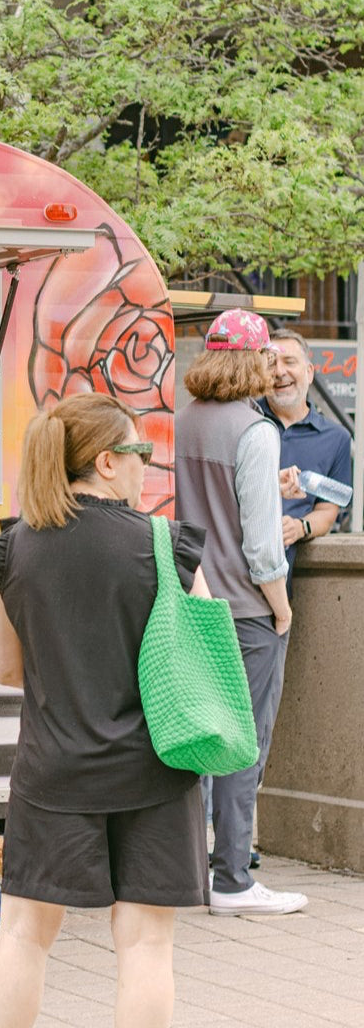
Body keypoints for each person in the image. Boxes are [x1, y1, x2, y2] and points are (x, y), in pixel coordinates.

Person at [0, 392, 211, 1028]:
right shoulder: (166, 546)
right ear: (108, 462)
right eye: (140, 452)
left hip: (52, 769)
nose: (147, 465)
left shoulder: (12, 550)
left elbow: (6, 670)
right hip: (156, 769)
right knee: (145, 944)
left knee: (23, 934)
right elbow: (206, 657)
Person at [175, 309, 305, 917]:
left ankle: (182, 872)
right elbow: (260, 545)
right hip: (246, 612)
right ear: (253, 362)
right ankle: (232, 877)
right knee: (242, 744)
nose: (275, 369)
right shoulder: (256, 431)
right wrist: (281, 611)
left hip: (190, 600)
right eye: (270, 359)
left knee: (194, 739)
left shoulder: (184, 420)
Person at [259, 328, 353, 587]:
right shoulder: (244, 421)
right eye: (270, 364)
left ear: (309, 372)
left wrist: (300, 527)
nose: (279, 372)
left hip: (281, 582)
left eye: (289, 362)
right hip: (230, 571)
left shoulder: (336, 439)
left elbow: (327, 510)